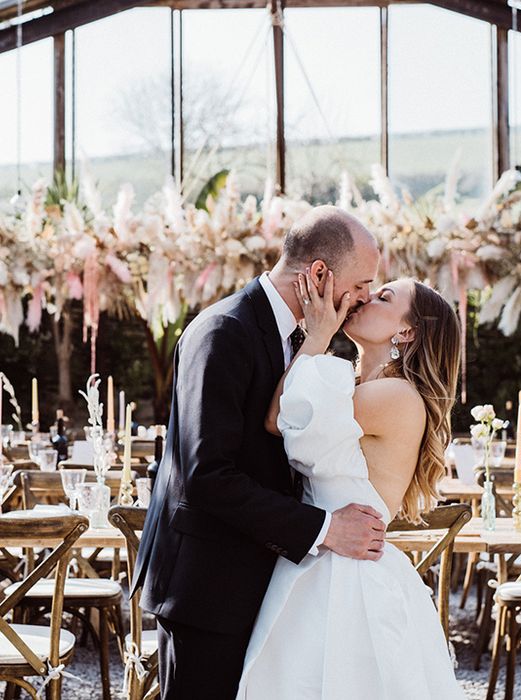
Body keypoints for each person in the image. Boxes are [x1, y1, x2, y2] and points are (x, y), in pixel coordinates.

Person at [132, 205, 386, 699]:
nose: (364, 299)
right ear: (318, 274)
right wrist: (327, 528)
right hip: (208, 590)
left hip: (262, 581)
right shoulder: (224, 331)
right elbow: (206, 476)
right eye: (360, 285)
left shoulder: (311, 340)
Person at [236, 270, 466, 698]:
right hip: (320, 556)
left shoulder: (395, 396)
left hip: (345, 579)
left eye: (383, 297)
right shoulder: (363, 387)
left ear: (406, 330)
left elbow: (278, 418)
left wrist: (317, 336)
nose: (363, 300)